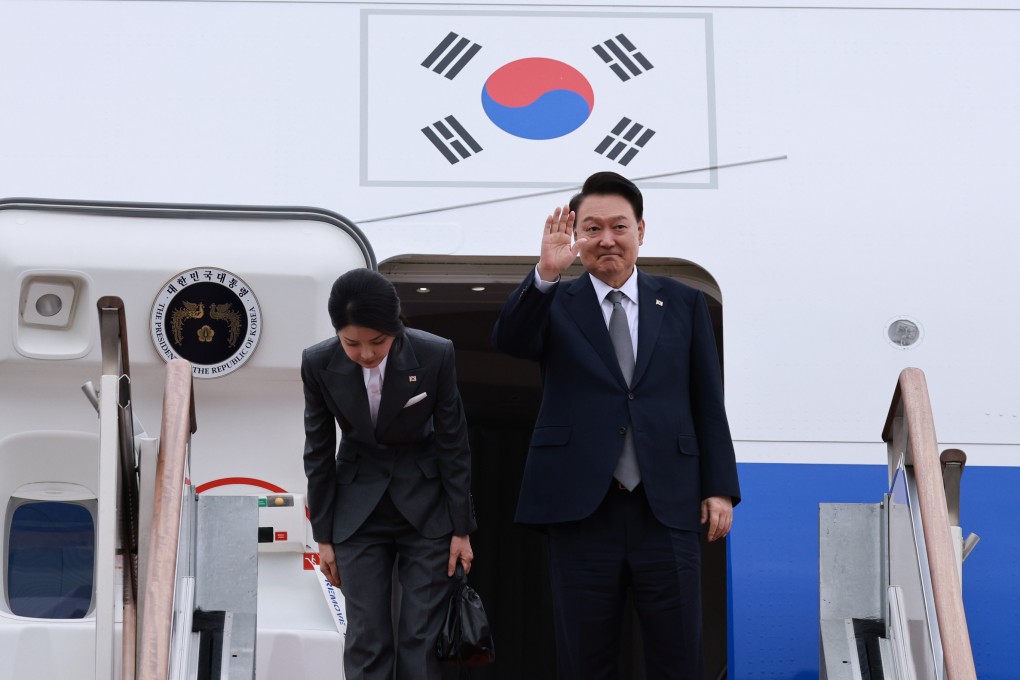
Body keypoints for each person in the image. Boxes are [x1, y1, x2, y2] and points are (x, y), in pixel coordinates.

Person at [492, 171, 740, 680]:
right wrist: (544, 272)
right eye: (593, 227)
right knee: (585, 657)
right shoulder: (554, 300)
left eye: (619, 226)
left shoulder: (684, 303)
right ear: (577, 234)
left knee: (679, 656)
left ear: (641, 231)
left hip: (666, 503)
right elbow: (511, 342)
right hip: (582, 508)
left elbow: (706, 402)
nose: (606, 239)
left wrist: (719, 488)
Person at [302, 268, 476, 680]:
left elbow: (454, 443)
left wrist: (461, 529)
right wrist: (323, 536)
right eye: (352, 343)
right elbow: (319, 450)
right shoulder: (317, 362)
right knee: (366, 636)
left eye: (377, 341)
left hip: (427, 510)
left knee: (421, 638)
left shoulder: (435, 354)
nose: (365, 353)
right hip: (356, 510)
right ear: (337, 335)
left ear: (396, 329)